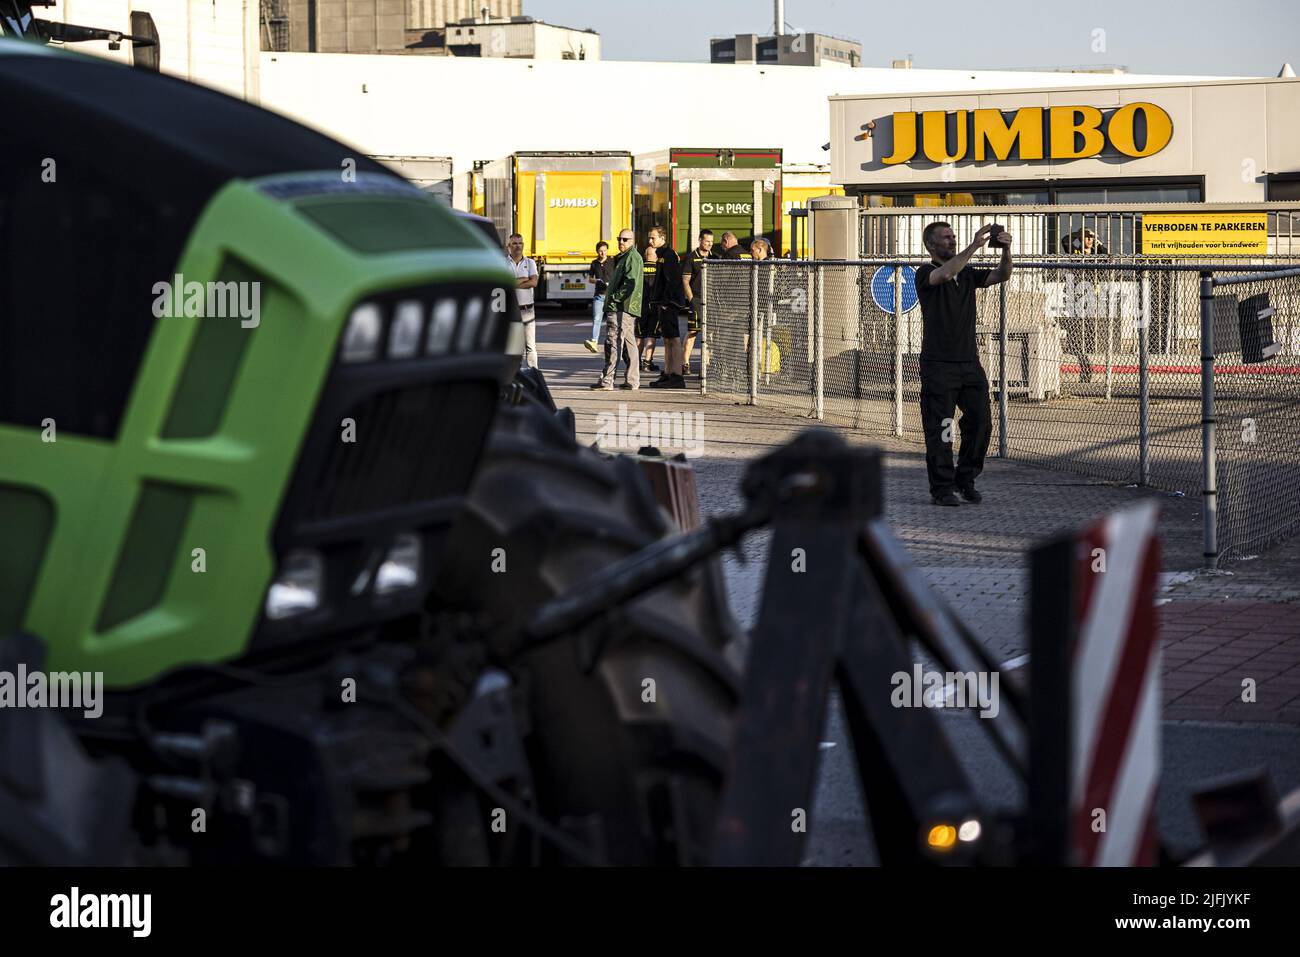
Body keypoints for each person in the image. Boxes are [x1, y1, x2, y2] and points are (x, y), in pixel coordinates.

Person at [915, 221, 1012, 507]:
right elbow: (944, 274)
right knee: (942, 427)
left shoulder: (967, 273)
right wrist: (975, 245)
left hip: (969, 363)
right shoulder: (925, 273)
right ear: (931, 245)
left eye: (953, 237)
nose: (952, 241)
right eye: (946, 238)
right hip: (939, 365)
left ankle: (965, 479)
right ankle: (942, 488)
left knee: (981, 423)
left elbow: (1002, 275)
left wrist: (1006, 251)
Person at [591, 229, 643, 391]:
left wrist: (614, 298)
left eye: (625, 239)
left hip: (622, 307)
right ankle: (632, 380)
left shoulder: (631, 257)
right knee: (629, 343)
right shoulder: (625, 257)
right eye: (619, 239)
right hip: (625, 307)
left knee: (613, 342)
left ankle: (607, 381)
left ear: (632, 241)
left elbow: (630, 283)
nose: (621, 242)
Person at [1061, 228, 1106, 382]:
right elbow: (1065, 240)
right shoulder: (1076, 251)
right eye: (1086, 237)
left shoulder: (1095, 255)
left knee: (1087, 329)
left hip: (1091, 296)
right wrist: (1078, 234)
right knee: (1076, 328)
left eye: (1091, 237)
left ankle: (1085, 362)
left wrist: (1098, 243)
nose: (1089, 240)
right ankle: (1080, 358)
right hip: (1076, 295)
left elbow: (1107, 257)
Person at [646, 225, 688, 389]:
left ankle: (677, 375)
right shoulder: (660, 254)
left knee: (674, 339)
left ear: (663, 238)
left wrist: (665, 302)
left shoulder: (668, 255)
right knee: (667, 339)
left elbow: (672, 281)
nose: (650, 240)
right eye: (650, 237)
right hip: (662, 303)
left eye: (653, 238)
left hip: (669, 304)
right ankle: (668, 372)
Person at [679, 229, 714, 378]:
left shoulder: (715, 258)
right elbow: (685, 281)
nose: (709, 244)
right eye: (707, 241)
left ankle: (706, 366)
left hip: (711, 300)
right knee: (693, 332)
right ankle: (685, 363)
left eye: (711, 242)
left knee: (710, 335)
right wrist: (691, 299)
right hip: (697, 300)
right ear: (700, 240)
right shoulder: (691, 258)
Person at [506, 233, 539, 370]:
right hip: (511, 310)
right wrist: (525, 279)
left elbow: (534, 282)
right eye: (514, 243)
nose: (518, 246)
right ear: (509, 246)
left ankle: (534, 374)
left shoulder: (530, 263)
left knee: (530, 346)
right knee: (514, 348)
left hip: (527, 310)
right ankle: (514, 376)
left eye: (520, 243)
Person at [584, 241, 614, 353]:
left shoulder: (612, 261)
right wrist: (596, 280)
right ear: (597, 251)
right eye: (601, 251)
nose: (603, 253)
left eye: (605, 250)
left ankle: (612, 342)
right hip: (599, 296)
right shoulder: (594, 263)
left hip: (611, 296)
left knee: (612, 321)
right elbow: (590, 278)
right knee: (597, 319)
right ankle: (594, 342)